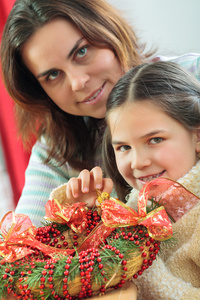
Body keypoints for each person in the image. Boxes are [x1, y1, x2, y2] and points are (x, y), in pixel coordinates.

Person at [1, 0, 200, 227]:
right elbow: (18, 249)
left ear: (108, 31)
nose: (78, 82)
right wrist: (76, 227)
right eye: (54, 75)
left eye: (81, 52)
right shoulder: (57, 150)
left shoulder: (194, 77)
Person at [63, 61, 200, 299]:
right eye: (124, 147)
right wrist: (87, 222)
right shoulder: (128, 211)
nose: (137, 163)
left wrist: (133, 264)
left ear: (197, 136)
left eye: (155, 140)